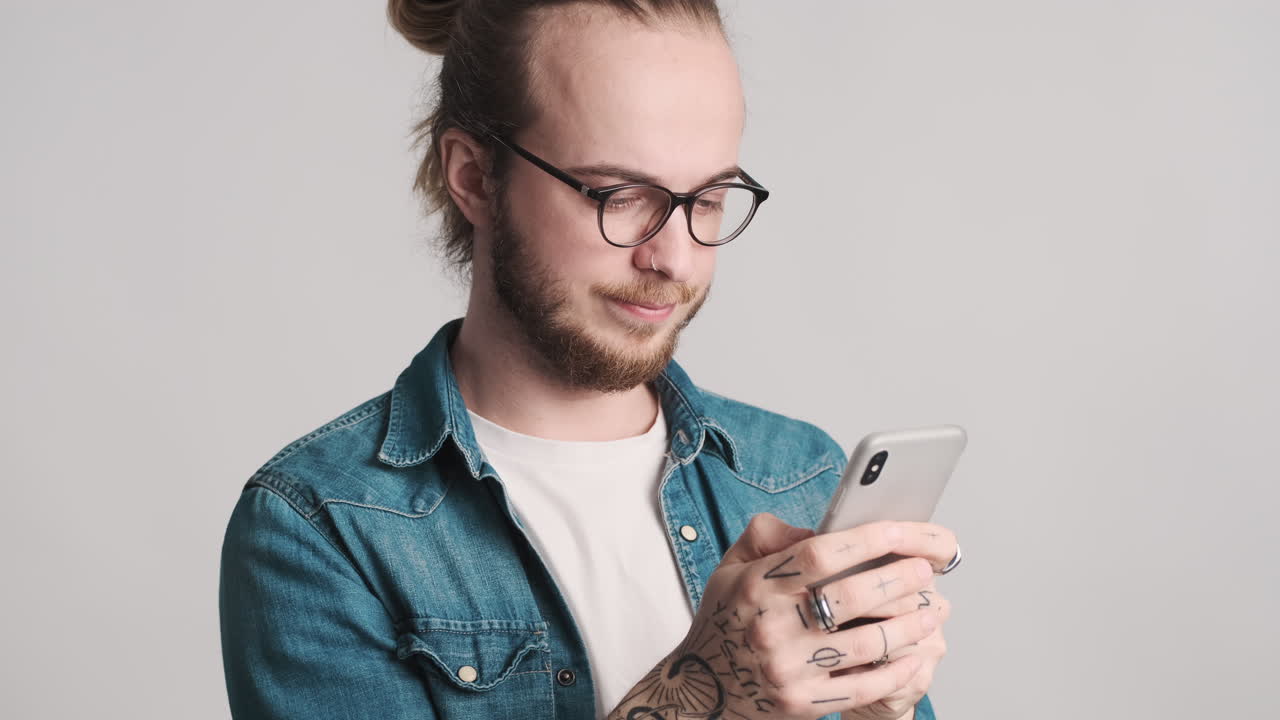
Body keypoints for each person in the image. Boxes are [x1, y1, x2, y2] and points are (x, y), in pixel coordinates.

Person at [217, 1, 961, 719]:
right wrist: (709, 692)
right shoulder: (320, 528)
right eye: (617, 193)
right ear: (474, 176)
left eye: (707, 200)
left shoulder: (795, 473)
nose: (673, 257)